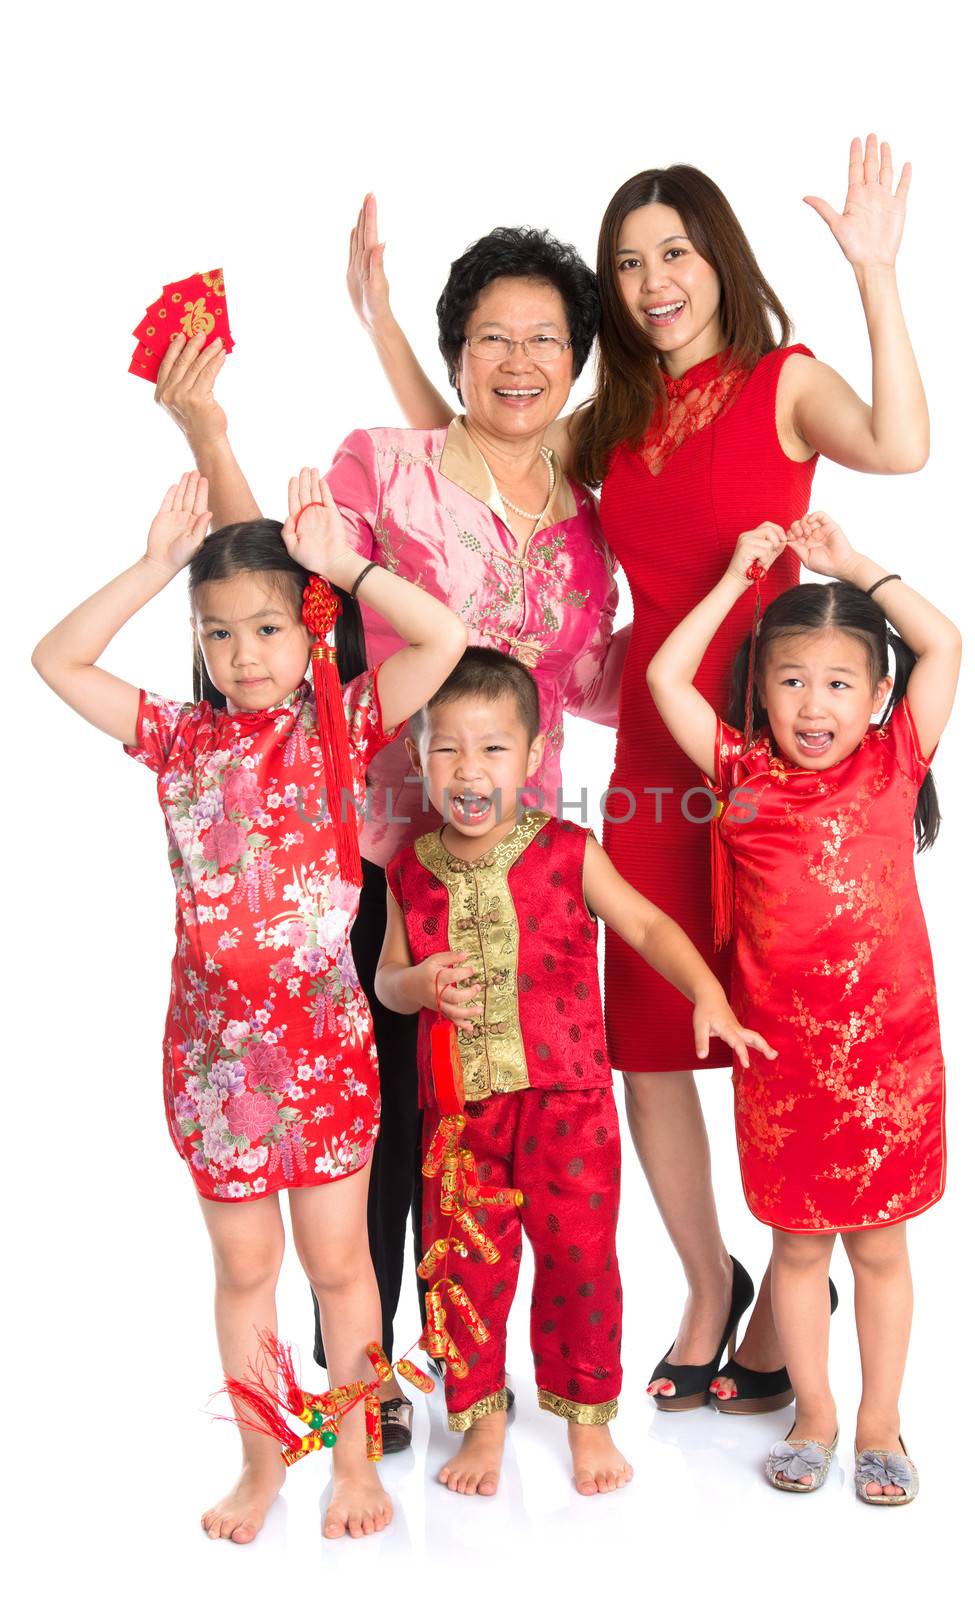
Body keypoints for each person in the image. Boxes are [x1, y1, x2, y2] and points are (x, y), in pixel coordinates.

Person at [340, 136, 928, 1411]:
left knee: (785, 1030)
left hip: (778, 755)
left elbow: (897, 443)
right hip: (661, 755)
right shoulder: (615, 420)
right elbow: (477, 439)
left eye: (674, 252)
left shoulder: (783, 379)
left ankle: (793, 1289)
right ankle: (707, 1286)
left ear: (718, 259)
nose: (655, 279)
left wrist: (876, 272)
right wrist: (392, 331)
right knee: (645, 1046)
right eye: (629, 262)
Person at [153, 227, 629, 1448]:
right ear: (453, 352)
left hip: (519, 868)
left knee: (488, 1122)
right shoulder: (387, 463)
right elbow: (289, 597)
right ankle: (368, 1385)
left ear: (577, 361)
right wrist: (210, 439)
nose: (515, 361)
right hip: (364, 848)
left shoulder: (589, 529)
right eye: (489, 339)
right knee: (373, 1130)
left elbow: (593, 686)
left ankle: (466, 1364)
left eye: (543, 340)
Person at [31, 469, 467, 1541]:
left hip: (322, 1052)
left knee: (338, 1265)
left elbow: (444, 640)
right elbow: (54, 660)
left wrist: (343, 565)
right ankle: (263, 1459)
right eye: (218, 633)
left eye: (267, 626)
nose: (243, 654)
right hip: (217, 1063)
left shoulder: (338, 722)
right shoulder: (179, 738)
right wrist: (152, 564)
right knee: (244, 1270)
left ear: (306, 623)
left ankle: (354, 1457)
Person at [374, 647, 773, 1496]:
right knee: (461, 1268)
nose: (468, 770)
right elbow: (385, 979)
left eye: (492, 749)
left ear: (534, 752)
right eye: (446, 749)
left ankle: (586, 1424)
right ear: (416, 758)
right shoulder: (408, 870)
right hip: (458, 1116)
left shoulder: (568, 849)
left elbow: (650, 926)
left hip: (569, 1108)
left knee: (581, 1265)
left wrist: (706, 992)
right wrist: (416, 985)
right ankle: (479, 1424)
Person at [647, 511, 958, 1501]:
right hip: (781, 1065)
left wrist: (854, 569)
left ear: (876, 696)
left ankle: (878, 1419)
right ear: (758, 692)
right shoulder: (741, 778)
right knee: (794, 1244)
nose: (811, 703)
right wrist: (739, 576)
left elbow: (943, 642)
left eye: (836, 683)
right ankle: (814, 1414)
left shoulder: (892, 761)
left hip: (888, 1066)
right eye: (788, 681)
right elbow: (662, 678)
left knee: (878, 1245)